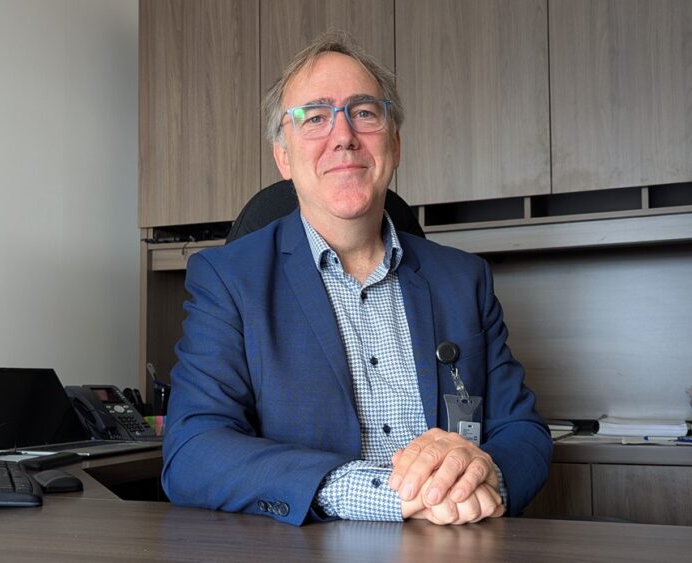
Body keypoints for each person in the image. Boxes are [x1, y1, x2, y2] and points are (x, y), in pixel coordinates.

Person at [162, 31, 552, 526]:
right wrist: (380, 495)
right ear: (284, 157)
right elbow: (192, 451)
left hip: (457, 539)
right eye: (315, 117)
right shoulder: (227, 280)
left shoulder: (464, 279)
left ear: (395, 144)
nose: (343, 135)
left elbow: (523, 432)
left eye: (364, 112)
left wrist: (482, 475)